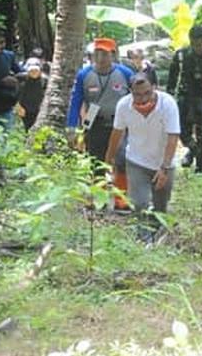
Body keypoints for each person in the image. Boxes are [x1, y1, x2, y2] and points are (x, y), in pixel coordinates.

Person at [106, 72, 180, 242]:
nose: (142, 98)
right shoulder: (123, 106)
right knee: (139, 203)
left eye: (147, 93)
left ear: (155, 87)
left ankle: (157, 237)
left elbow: (173, 137)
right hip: (136, 160)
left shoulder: (168, 104)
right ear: (130, 91)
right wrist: (108, 161)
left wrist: (165, 167)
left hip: (163, 162)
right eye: (137, 94)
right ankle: (143, 239)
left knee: (160, 206)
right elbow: (117, 133)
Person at [67, 37, 135, 166]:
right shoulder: (84, 74)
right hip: (94, 123)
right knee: (95, 161)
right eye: (96, 54)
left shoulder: (125, 73)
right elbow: (76, 102)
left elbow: (136, 98)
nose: (100, 58)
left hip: (119, 124)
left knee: (120, 160)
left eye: (104, 54)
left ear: (113, 55)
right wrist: (71, 127)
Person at [167, 25, 202, 173]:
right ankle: (193, 150)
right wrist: (170, 96)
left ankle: (200, 166)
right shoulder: (181, 55)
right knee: (180, 129)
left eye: (199, 44)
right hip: (186, 96)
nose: (196, 48)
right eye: (193, 44)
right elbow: (172, 79)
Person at [17, 57, 46, 130]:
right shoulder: (20, 79)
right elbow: (14, 94)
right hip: (23, 109)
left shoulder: (45, 81)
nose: (34, 72)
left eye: (36, 70)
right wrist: (18, 106)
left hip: (39, 110)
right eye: (31, 70)